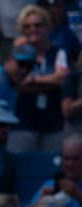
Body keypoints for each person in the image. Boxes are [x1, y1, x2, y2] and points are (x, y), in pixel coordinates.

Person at [11, 3, 70, 152]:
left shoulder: (58, 52)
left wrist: (34, 80)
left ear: (47, 26)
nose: (33, 29)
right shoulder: (17, 54)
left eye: (38, 25)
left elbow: (63, 79)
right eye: (27, 26)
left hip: (53, 124)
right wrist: (50, 82)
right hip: (23, 123)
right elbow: (17, 84)